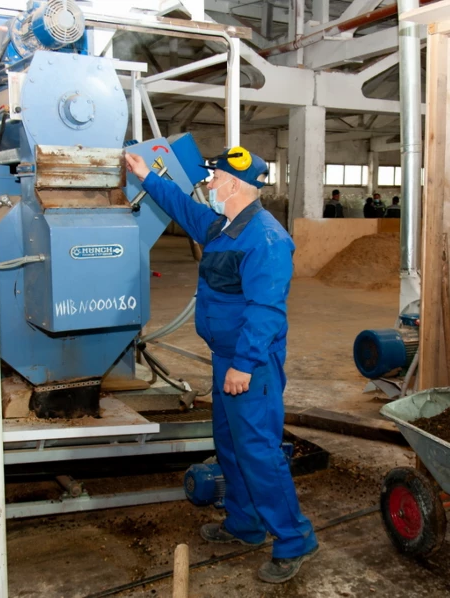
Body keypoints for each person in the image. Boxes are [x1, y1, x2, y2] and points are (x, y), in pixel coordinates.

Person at [125, 147, 319, 584]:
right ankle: (245, 524)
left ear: (234, 184)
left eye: (214, 178)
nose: (209, 184)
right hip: (225, 358)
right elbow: (181, 206)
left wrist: (245, 365)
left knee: (259, 451)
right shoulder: (221, 227)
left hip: (251, 365)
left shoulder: (265, 239)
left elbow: (266, 310)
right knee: (230, 444)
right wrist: (146, 177)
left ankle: (294, 540)